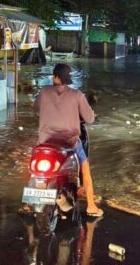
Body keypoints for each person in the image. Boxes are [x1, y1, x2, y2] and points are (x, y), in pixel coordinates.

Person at [34, 63, 103, 217]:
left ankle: (27, 204)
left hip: (45, 141)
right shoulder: (76, 95)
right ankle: (91, 206)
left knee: (34, 168)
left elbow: (36, 109)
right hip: (69, 141)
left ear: (55, 77)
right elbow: (90, 119)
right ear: (67, 79)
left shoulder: (44, 91)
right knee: (85, 168)